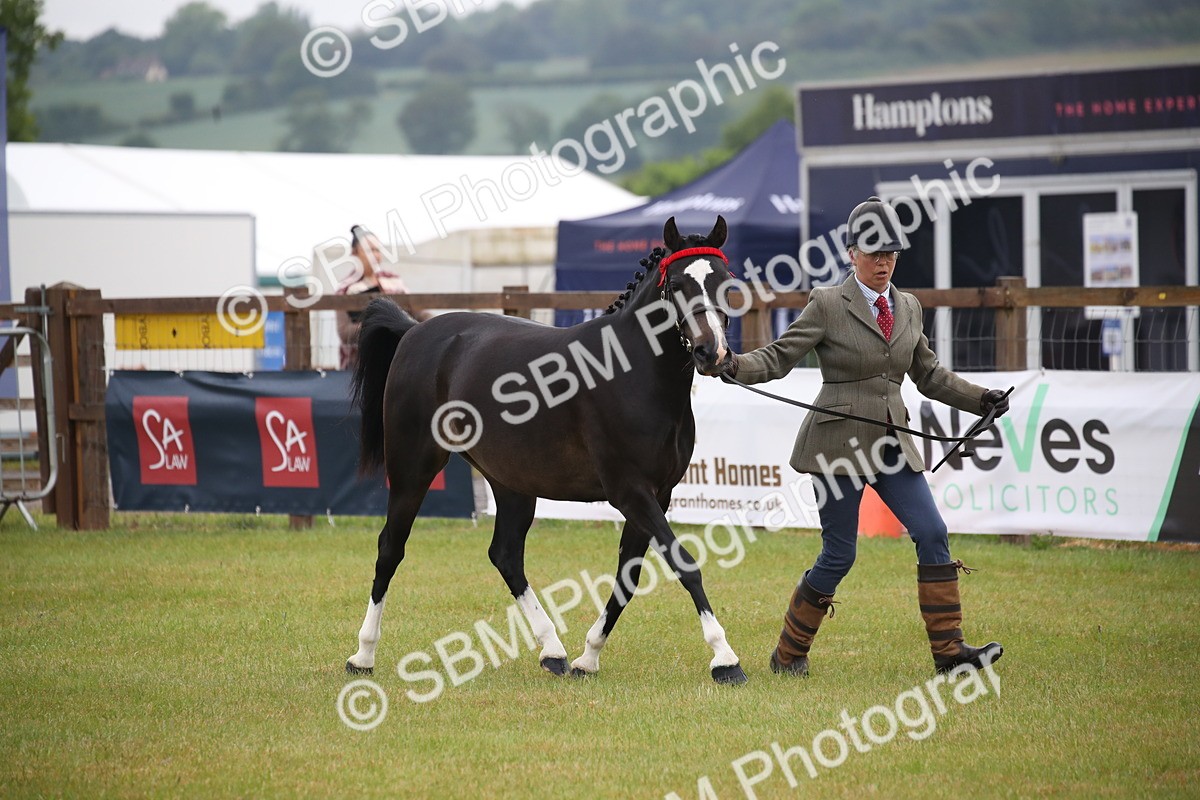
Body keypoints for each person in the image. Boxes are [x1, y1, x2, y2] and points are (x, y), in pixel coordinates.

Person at [719, 197, 1009, 677]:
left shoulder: (909, 307)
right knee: (840, 553)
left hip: (892, 442)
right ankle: (789, 653)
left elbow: (930, 375)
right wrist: (733, 365)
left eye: (891, 253)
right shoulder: (828, 303)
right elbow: (779, 355)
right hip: (837, 446)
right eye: (874, 253)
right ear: (851, 253)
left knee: (933, 532)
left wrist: (982, 399)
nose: (884, 262)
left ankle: (950, 654)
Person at [336, 225, 428, 370]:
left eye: (377, 250)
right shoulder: (346, 290)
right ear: (354, 254)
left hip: (398, 361)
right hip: (360, 366)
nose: (375, 255)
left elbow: (418, 312)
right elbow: (344, 332)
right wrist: (381, 325)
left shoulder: (394, 281)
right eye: (368, 250)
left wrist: (437, 324)